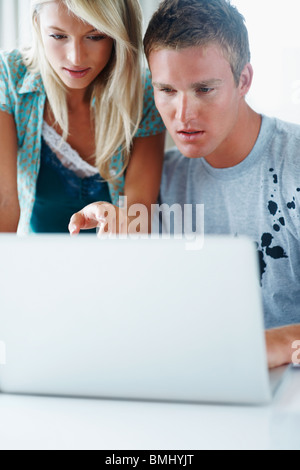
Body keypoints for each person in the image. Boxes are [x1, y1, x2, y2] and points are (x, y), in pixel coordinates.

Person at [77, 0, 300, 369]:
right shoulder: (157, 183)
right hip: (195, 383)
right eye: (166, 90)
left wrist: (278, 343)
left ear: (243, 80)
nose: (183, 115)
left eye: (204, 89)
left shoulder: (293, 164)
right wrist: (110, 238)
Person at [0, 0, 165, 235]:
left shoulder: (144, 92)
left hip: (114, 260)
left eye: (95, 36)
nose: (76, 57)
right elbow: (3, 203)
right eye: (58, 36)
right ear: (37, 25)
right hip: (35, 264)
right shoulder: (9, 75)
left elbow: (139, 214)